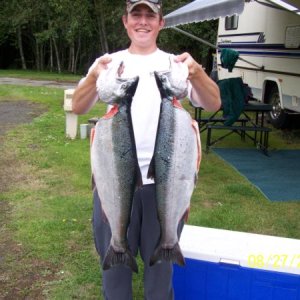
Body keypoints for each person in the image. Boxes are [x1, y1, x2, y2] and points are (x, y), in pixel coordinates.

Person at [72, 1, 221, 299]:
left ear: (161, 23)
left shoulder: (176, 65)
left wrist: (197, 73)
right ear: (125, 21)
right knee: (114, 276)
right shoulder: (108, 63)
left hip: (165, 186)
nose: (143, 22)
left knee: (160, 278)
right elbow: (78, 106)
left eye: (149, 16)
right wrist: (92, 78)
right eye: (136, 15)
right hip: (113, 183)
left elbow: (214, 103)